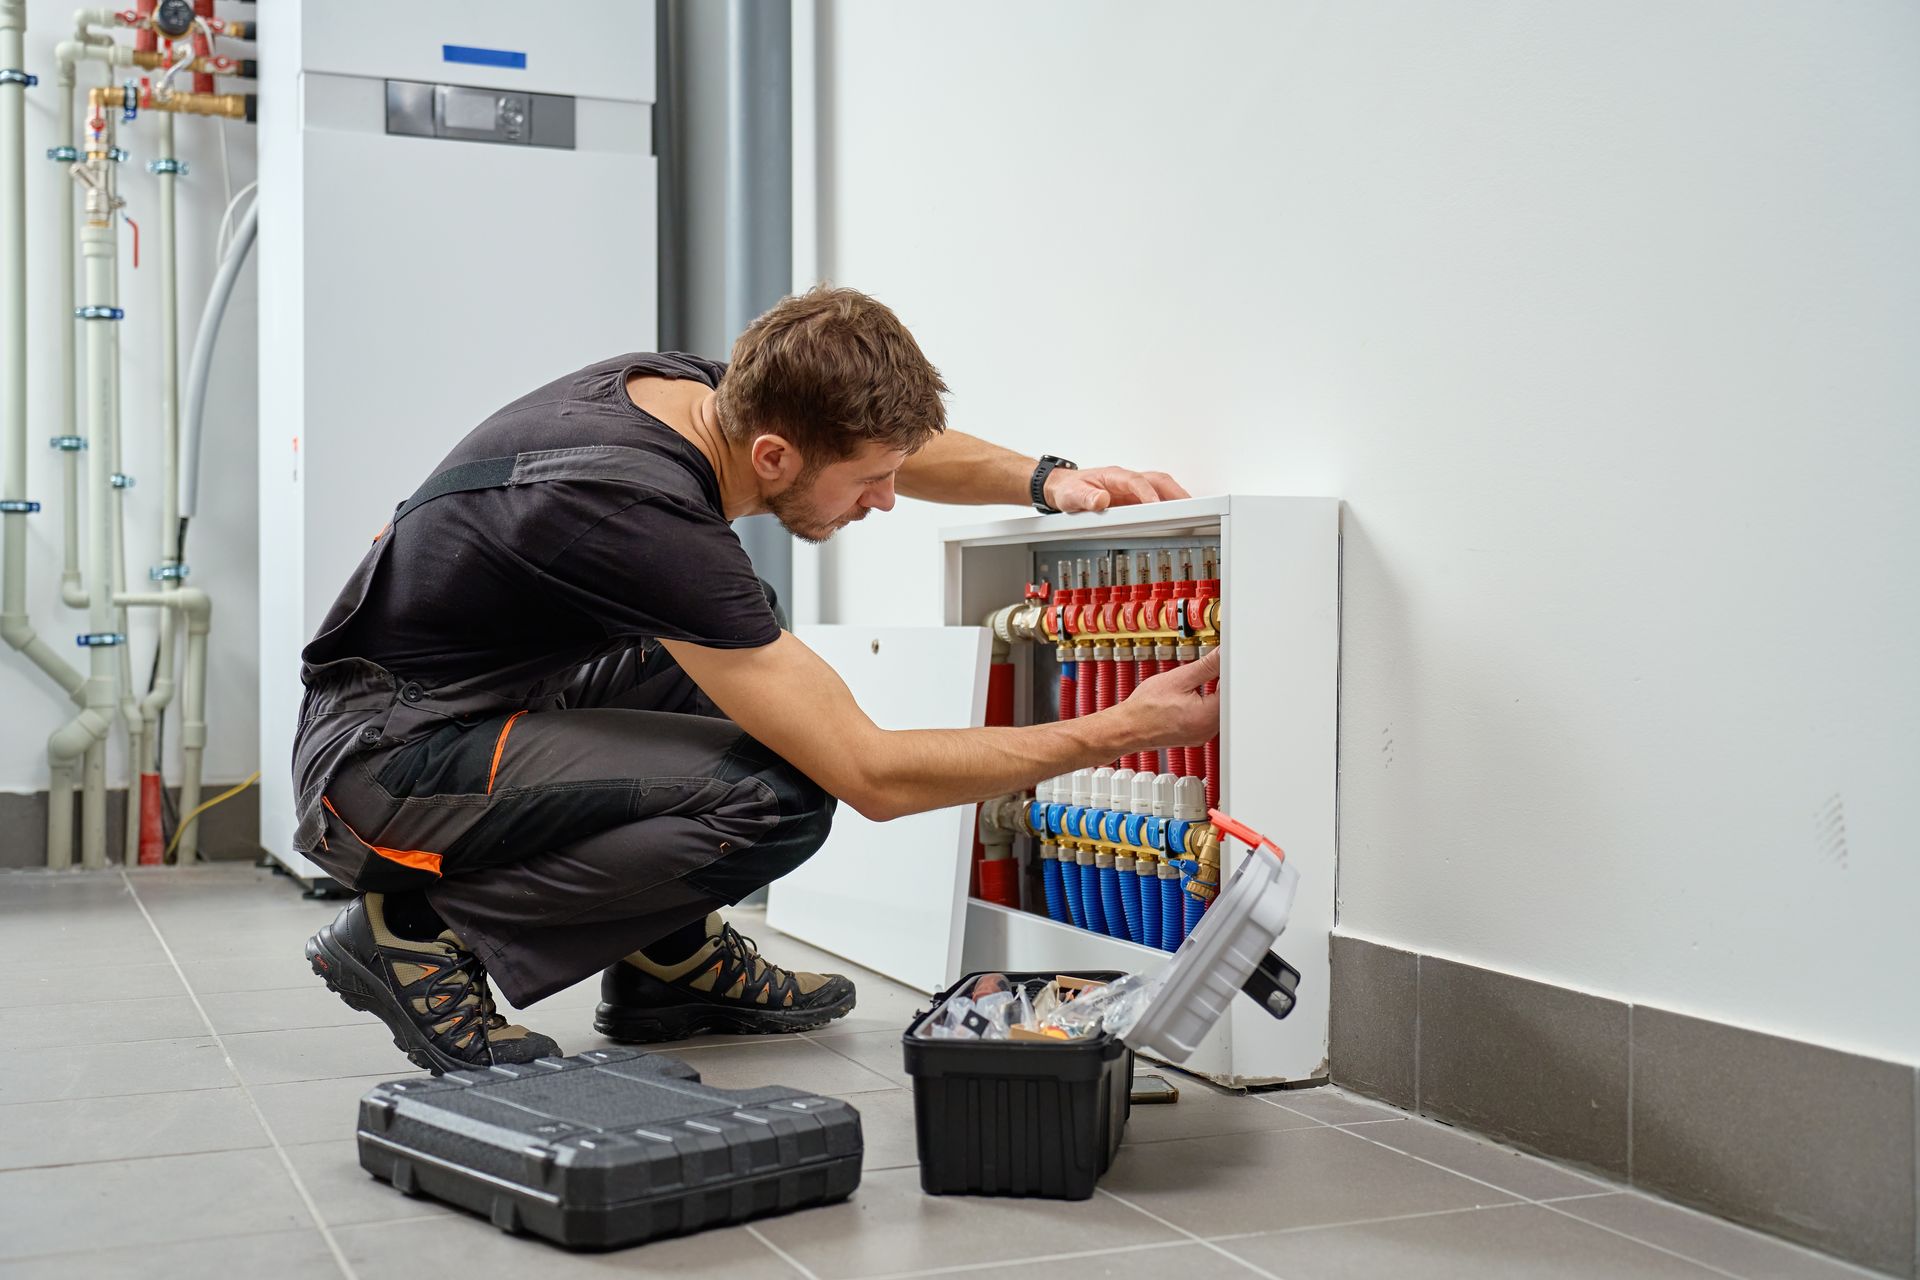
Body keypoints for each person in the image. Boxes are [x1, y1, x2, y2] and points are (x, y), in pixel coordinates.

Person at [297, 286, 1222, 1073]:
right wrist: (1116, 731)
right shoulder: (640, 512)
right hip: (385, 770)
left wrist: (1048, 480)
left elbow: (884, 441)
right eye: (870, 482)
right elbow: (873, 776)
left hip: (462, 711)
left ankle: (668, 961)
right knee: (779, 797)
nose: (886, 499)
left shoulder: (696, 394)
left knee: (745, 631)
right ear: (775, 456)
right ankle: (415, 936)